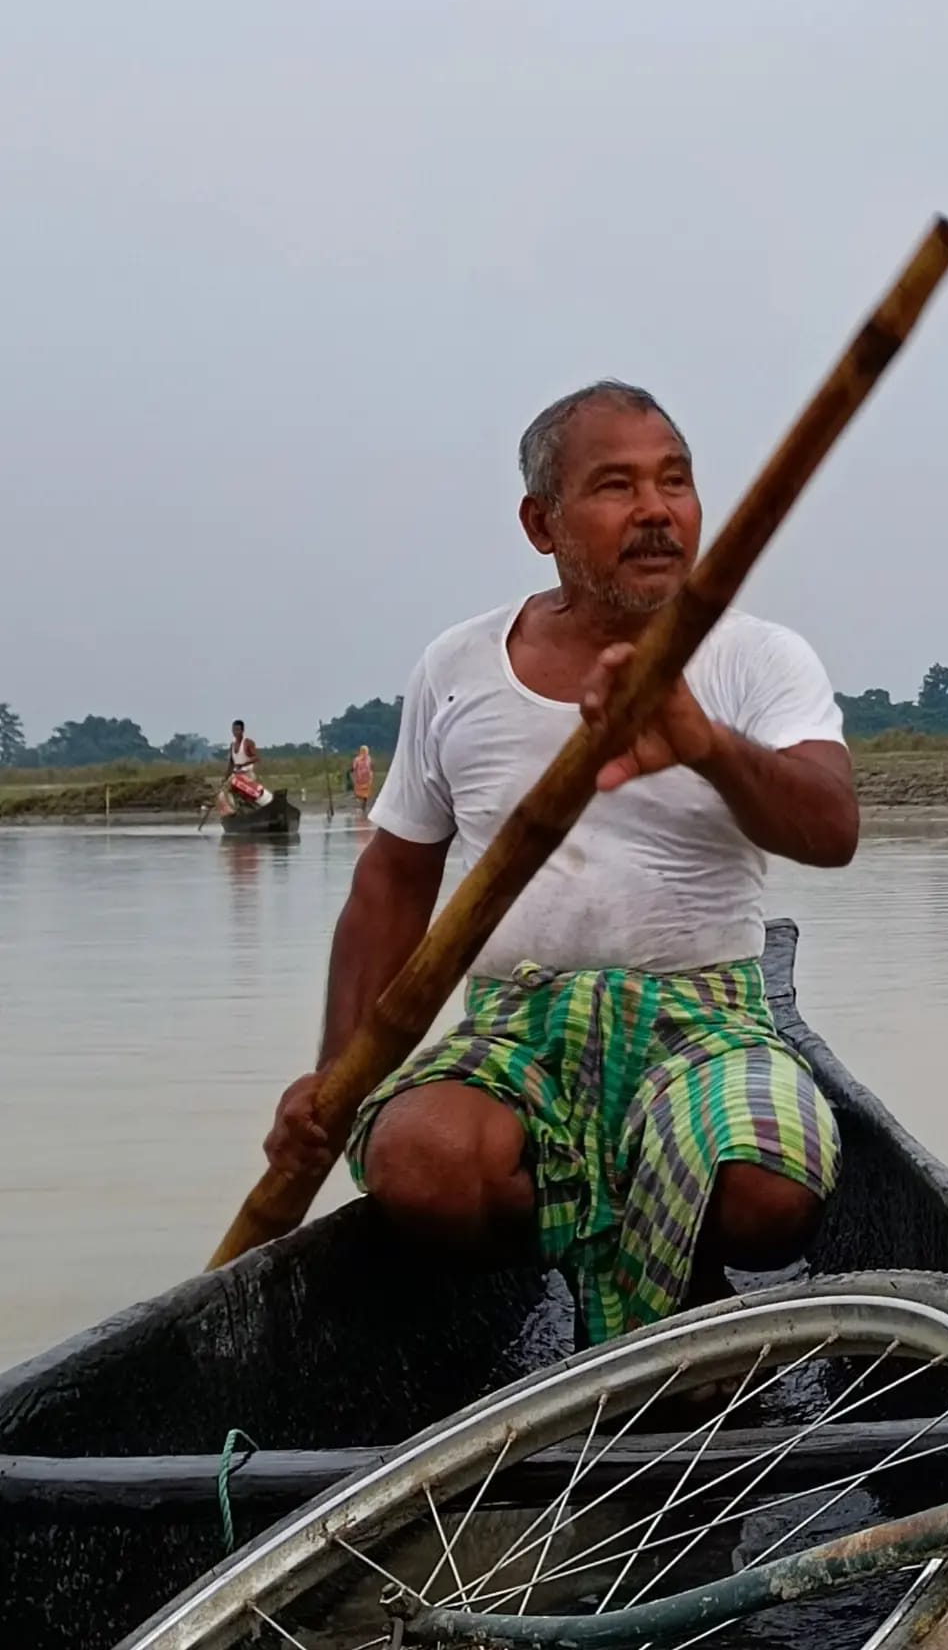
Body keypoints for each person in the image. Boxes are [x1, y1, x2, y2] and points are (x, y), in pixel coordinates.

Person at [263, 380, 858, 1345]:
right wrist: (336, 1075)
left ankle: (685, 1297)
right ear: (542, 523)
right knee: (420, 1164)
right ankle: (556, 1286)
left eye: (676, 481)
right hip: (519, 1032)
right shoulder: (459, 668)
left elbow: (830, 828)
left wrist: (703, 741)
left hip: (703, 1021)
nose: (657, 511)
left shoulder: (756, 658)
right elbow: (393, 881)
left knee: (765, 1174)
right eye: (616, 487)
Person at [350, 745, 374, 816]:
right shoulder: (360, 759)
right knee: (362, 793)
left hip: (364, 778)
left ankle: (363, 806)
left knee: (364, 793)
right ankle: (362, 806)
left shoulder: (362, 759)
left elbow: (354, 768)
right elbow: (354, 768)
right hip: (361, 778)